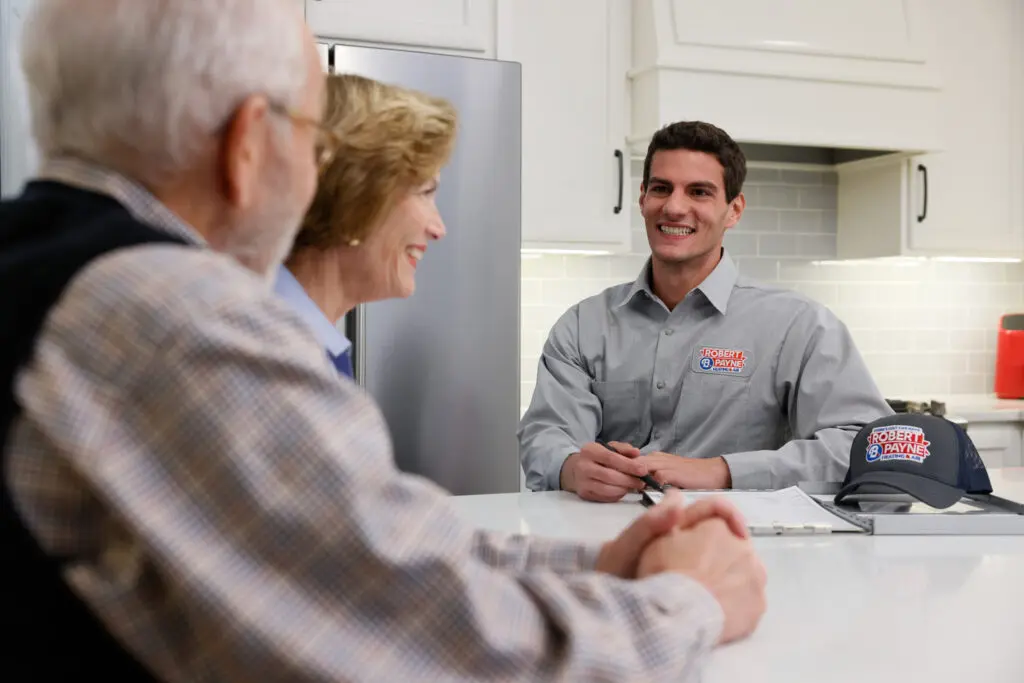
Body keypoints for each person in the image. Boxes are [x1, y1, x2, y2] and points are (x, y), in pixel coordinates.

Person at [0, 2, 766, 681]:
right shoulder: (169, 313)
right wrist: (691, 601)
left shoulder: (61, 265)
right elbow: (448, 650)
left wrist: (600, 558)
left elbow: (377, 547)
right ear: (245, 145)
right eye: (310, 136)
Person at [519, 120, 892, 502]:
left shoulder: (800, 326)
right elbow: (546, 435)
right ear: (643, 198)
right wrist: (570, 468)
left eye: (699, 192)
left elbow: (867, 446)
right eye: (661, 189)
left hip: (749, 549)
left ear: (734, 210)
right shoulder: (583, 326)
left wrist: (722, 470)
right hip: (606, 543)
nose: (675, 207)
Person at [273, 74, 452, 378]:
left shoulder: (309, 343)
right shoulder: (277, 356)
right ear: (356, 195)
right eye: (425, 192)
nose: (439, 229)